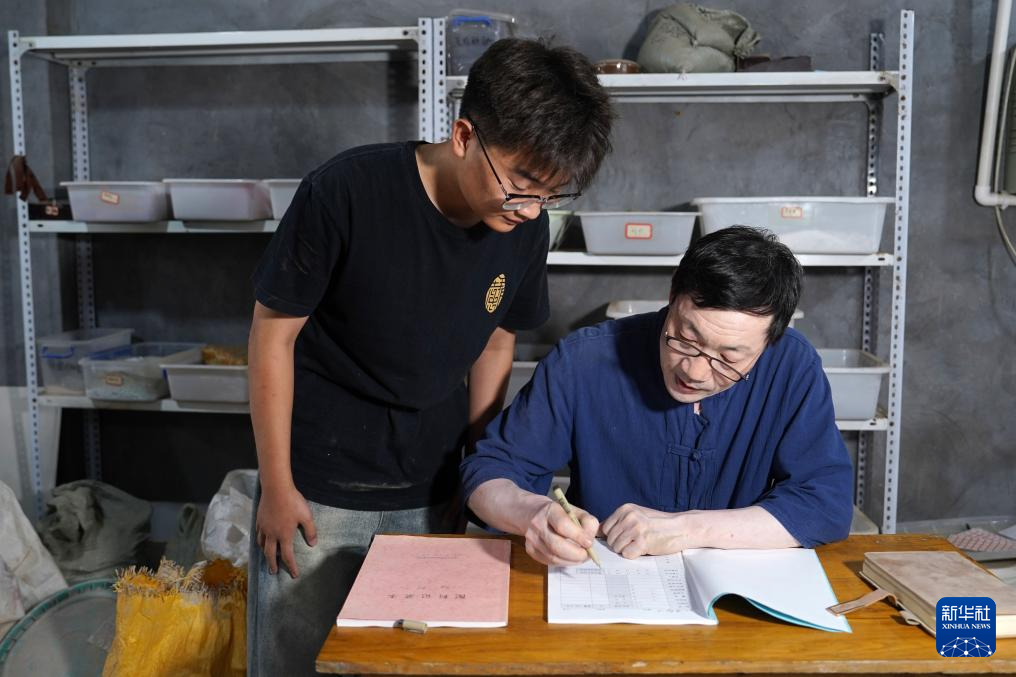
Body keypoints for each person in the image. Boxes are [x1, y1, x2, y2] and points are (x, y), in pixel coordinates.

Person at [245, 37, 613, 675]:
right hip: (318, 486)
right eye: (522, 184)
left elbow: (497, 339)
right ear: (464, 136)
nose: (532, 210)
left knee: (417, 662)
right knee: (297, 660)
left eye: (551, 196)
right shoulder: (347, 191)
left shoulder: (524, 227)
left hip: (434, 484)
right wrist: (277, 486)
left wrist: (479, 466)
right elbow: (271, 336)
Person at [461, 226, 854, 566]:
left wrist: (688, 529)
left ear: (770, 341)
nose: (694, 372)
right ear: (672, 294)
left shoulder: (792, 366)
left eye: (729, 358)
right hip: (603, 579)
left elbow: (826, 504)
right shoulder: (584, 360)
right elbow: (487, 473)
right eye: (685, 338)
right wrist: (532, 514)